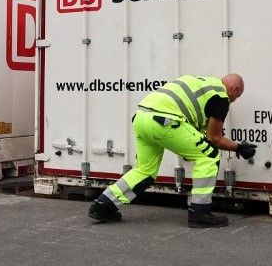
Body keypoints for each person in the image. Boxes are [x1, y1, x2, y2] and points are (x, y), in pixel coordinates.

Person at [88, 73, 256, 228]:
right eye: (237, 96)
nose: (234, 100)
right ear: (234, 89)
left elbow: (198, 124)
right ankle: (200, 212)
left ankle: (103, 205)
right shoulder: (221, 96)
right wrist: (239, 147)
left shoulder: (203, 84)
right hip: (165, 120)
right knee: (209, 154)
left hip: (141, 117)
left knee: (144, 171)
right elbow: (214, 139)